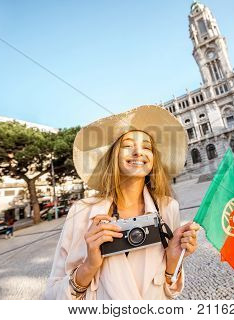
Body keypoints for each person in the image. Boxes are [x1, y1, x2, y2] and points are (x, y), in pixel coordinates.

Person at [43, 105, 199, 300]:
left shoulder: (168, 208)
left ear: (153, 159)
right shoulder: (82, 211)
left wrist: (173, 260)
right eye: (127, 145)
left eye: (147, 147)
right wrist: (89, 266)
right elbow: (50, 297)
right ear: (114, 155)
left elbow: (168, 290)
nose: (138, 152)